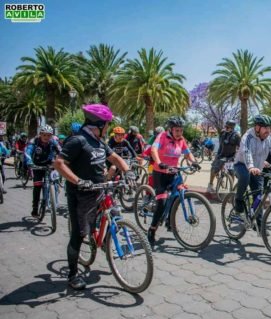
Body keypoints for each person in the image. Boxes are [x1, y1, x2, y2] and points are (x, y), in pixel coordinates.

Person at [54, 104, 136, 290]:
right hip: (80, 195)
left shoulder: (99, 142)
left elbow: (115, 158)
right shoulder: (77, 141)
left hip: (101, 188)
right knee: (79, 234)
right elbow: (59, 164)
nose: (108, 128)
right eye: (106, 124)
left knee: (115, 214)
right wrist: (78, 181)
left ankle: (105, 240)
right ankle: (73, 275)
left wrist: (128, 171)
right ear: (98, 124)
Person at [231, 115, 271, 232]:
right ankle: (238, 202)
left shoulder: (268, 138)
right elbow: (247, 152)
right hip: (242, 165)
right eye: (265, 128)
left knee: (258, 195)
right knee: (245, 176)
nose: (268, 131)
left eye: (269, 128)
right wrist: (251, 166)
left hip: (257, 168)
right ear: (257, 127)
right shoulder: (248, 137)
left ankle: (258, 223)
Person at [147, 116, 200, 247]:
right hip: (160, 174)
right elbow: (154, 150)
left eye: (181, 130)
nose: (179, 133)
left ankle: (169, 221)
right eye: (177, 130)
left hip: (175, 173)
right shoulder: (162, 136)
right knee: (162, 202)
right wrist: (159, 163)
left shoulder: (181, 140)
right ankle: (152, 229)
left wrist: (194, 162)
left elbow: (187, 153)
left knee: (178, 195)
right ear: (171, 129)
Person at [24, 126, 61, 218]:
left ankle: (52, 198)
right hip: (37, 166)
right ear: (40, 134)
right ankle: (35, 208)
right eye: (44, 135)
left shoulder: (53, 141)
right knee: (37, 187)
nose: (46, 137)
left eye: (48, 135)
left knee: (54, 181)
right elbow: (28, 152)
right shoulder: (34, 141)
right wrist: (29, 162)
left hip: (49, 165)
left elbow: (62, 151)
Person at [207, 120, 241, 192]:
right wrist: (217, 154)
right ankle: (210, 185)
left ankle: (231, 189)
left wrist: (237, 155)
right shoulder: (222, 133)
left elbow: (240, 147)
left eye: (228, 127)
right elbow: (221, 144)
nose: (226, 128)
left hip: (231, 157)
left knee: (231, 172)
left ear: (232, 127)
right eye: (225, 126)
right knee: (214, 169)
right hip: (220, 155)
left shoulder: (237, 136)